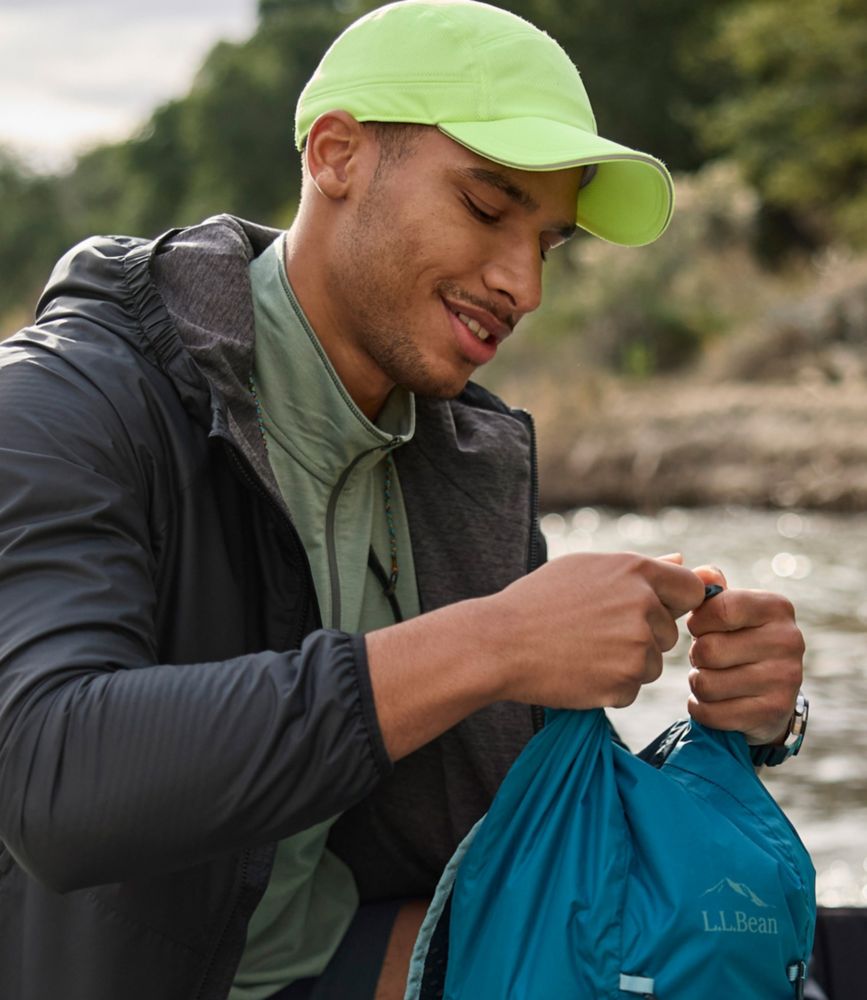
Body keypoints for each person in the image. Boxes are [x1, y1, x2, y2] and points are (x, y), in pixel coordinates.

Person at [0, 2, 806, 999]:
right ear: (336, 155)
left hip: (354, 947)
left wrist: (737, 725)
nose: (523, 286)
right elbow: (49, 779)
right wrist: (493, 640)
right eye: (486, 208)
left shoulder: (466, 453)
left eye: (548, 243)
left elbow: (536, 813)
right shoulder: (64, 403)